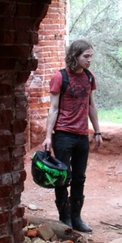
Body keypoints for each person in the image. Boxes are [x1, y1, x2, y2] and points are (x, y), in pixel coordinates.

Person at [42, 40, 103, 232]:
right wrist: (48, 137)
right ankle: (64, 217)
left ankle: (77, 218)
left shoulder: (89, 77)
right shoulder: (60, 77)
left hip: (82, 135)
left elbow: (91, 106)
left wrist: (98, 131)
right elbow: (53, 108)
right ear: (74, 56)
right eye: (86, 56)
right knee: (62, 177)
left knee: (79, 177)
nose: (89, 60)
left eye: (91, 56)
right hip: (63, 134)